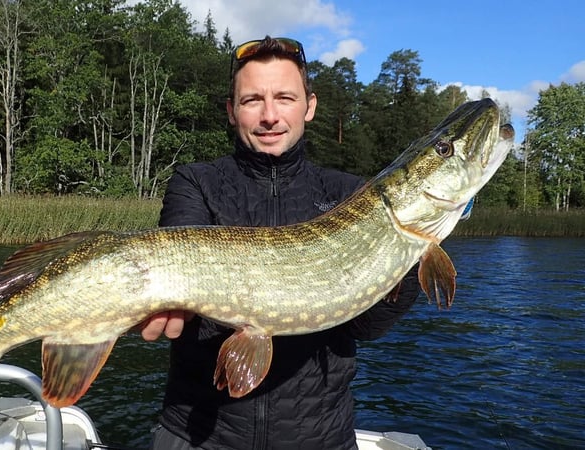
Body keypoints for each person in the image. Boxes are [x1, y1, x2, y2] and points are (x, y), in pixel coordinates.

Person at [140, 36, 420, 450]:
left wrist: (406, 252)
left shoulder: (349, 194)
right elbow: (177, 269)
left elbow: (366, 326)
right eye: (253, 99)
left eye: (285, 97)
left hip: (320, 438)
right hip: (198, 436)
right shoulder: (196, 181)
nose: (270, 115)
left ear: (309, 105)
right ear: (231, 111)